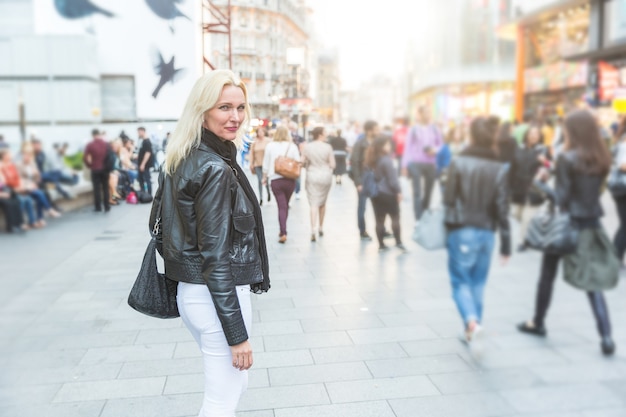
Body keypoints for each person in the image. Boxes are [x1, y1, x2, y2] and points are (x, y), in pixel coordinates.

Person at [153, 69, 270, 416]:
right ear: (203, 110)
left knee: (234, 386)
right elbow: (216, 259)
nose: (235, 117)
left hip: (195, 295)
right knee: (221, 400)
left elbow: (158, 229)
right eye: (224, 108)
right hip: (217, 296)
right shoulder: (215, 168)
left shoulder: (183, 155)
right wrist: (237, 334)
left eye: (240, 107)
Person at [518, 109, 616, 356]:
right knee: (593, 283)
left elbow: (561, 198)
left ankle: (538, 322)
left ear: (572, 131)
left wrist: (539, 185)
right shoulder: (602, 158)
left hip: (565, 225)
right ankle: (606, 337)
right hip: (591, 223)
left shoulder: (567, 158)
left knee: (547, 275)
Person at [443, 117, 511, 343]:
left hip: (461, 229)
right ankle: (473, 329)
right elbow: (503, 208)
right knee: (478, 282)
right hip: (486, 232)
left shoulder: (459, 162)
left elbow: (449, 198)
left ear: (471, 136)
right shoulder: (499, 168)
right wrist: (507, 245)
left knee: (460, 281)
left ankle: (471, 321)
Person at [510, 125, 549, 251]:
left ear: (539, 136)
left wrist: (545, 163)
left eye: (536, 133)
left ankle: (523, 242)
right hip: (518, 188)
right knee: (515, 213)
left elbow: (551, 167)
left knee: (527, 217)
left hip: (534, 189)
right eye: (531, 133)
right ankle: (532, 230)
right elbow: (512, 168)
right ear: (526, 135)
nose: (533, 136)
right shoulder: (518, 149)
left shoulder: (543, 150)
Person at [402, 106, 444, 223]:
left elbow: (441, 145)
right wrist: (404, 165)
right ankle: (418, 218)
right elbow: (408, 148)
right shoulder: (414, 130)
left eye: (429, 112)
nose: (428, 115)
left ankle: (425, 212)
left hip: (431, 163)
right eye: (426, 112)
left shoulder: (435, 129)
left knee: (429, 190)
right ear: (419, 114)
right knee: (417, 191)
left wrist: (434, 150)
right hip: (416, 163)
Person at [364, 136, 405, 252]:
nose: (390, 146)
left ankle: (381, 244)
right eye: (387, 144)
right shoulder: (387, 160)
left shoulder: (370, 160)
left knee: (379, 220)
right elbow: (393, 180)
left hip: (376, 194)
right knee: (395, 217)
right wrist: (398, 191)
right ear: (382, 147)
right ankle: (398, 242)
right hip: (388, 193)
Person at [1, 147, 56, 228]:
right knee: (31, 197)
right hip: (15, 188)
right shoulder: (16, 164)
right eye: (9, 154)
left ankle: (35, 220)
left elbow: (36, 177)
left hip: (26, 185)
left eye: (29, 156)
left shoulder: (30, 164)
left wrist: (35, 177)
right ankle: (47, 211)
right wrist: (22, 186)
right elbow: (8, 181)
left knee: (41, 193)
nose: (11, 155)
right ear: (4, 156)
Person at [262, 126, 300, 243]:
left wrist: (264, 177)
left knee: (281, 206)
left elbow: (266, 164)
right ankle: (283, 230)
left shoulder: (270, 146)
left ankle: (283, 232)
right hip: (289, 180)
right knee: (285, 205)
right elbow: (297, 161)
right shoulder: (292, 146)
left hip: (275, 180)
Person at [302, 126, 335, 241]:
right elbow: (333, 164)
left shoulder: (307, 147)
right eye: (325, 132)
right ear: (320, 135)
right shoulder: (328, 147)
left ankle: (313, 229)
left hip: (312, 175)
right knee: (322, 203)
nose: (326, 134)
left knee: (313, 204)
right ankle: (321, 227)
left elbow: (302, 162)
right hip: (325, 176)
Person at [350, 120, 380, 240]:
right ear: (369, 130)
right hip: (364, 177)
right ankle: (362, 230)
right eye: (376, 129)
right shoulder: (360, 144)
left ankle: (381, 228)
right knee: (362, 206)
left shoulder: (378, 143)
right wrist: (358, 182)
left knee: (378, 205)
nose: (378, 131)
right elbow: (355, 163)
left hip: (376, 177)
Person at [83, 129, 112, 213]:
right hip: (105, 169)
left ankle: (98, 207)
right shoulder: (106, 144)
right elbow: (110, 156)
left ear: (92, 135)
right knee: (105, 188)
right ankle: (106, 206)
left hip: (95, 169)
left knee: (96, 189)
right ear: (99, 134)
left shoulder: (90, 145)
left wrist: (90, 165)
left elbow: (85, 158)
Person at [249, 127, 272, 205]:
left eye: (262, 132)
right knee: (260, 180)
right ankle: (261, 198)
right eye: (259, 132)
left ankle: (268, 193)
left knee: (266, 180)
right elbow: (251, 153)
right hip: (257, 164)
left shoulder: (268, 141)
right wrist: (251, 163)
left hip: (266, 164)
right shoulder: (254, 142)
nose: (260, 133)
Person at [289, 121, 305, 200]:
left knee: (297, 175)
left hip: (297, 159)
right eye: (290, 128)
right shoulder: (287, 137)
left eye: (292, 128)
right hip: (288, 159)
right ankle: (291, 191)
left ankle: (297, 191)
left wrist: (302, 158)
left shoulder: (300, 137)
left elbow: (303, 148)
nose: (291, 129)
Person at [137, 126, 154, 195]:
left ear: (142, 131)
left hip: (145, 165)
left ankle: (149, 194)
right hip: (142, 164)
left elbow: (148, 153)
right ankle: (143, 193)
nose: (138, 134)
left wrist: (143, 164)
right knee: (141, 179)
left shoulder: (147, 141)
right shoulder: (143, 141)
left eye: (139, 132)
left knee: (147, 179)